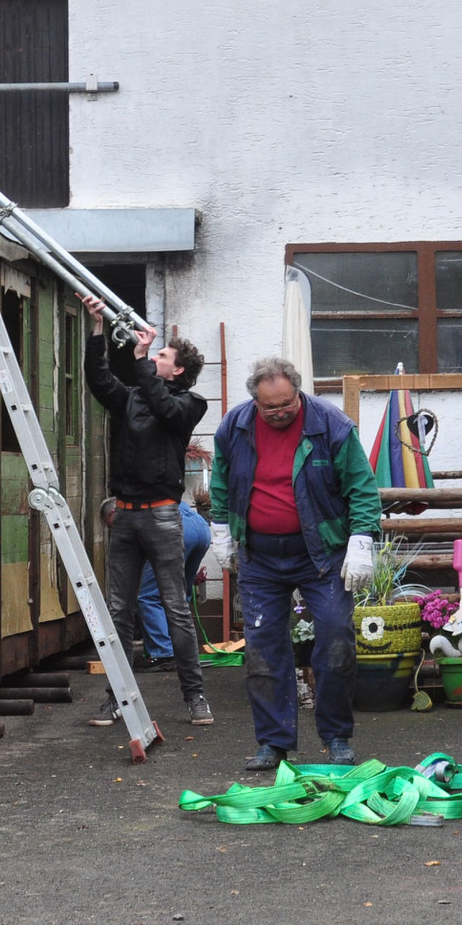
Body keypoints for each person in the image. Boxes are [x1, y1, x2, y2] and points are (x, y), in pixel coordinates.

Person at [207, 357, 379, 772]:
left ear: (298, 393)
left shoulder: (330, 425)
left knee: (337, 638)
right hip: (261, 557)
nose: (281, 412)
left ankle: (336, 737)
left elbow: (361, 486)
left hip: (321, 555)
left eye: (288, 403)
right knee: (264, 649)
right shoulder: (235, 427)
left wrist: (361, 540)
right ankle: (273, 743)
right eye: (271, 408)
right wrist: (220, 528)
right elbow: (221, 481)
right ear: (255, 403)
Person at [78, 294, 213, 728]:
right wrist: (97, 328)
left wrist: (138, 358)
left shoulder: (190, 404)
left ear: (177, 371)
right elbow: (99, 381)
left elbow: (164, 407)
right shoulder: (135, 395)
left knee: (175, 606)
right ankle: (116, 699)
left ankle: (195, 697)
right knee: (118, 611)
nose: (154, 355)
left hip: (161, 514)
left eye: (162, 354)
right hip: (126, 513)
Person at [134, 482, 213, 670]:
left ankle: (162, 653)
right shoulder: (157, 487)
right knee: (179, 595)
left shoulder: (128, 505)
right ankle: (184, 652)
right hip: (200, 527)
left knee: (148, 596)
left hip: (177, 528)